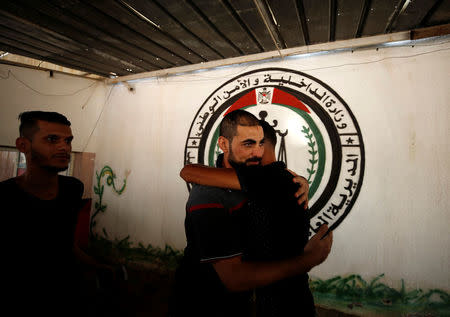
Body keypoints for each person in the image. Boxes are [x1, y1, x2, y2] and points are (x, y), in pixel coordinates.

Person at [170, 110, 332, 316]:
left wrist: (300, 181)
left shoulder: (266, 180)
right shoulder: (209, 195)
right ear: (224, 144)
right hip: (201, 304)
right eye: (249, 144)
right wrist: (307, 260)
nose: (257, 152)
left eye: (260, 144)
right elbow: (233, 279)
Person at [0, 111, 114, 316]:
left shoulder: (73, 189)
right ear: (23, 145)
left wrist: (97, 267)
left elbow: (63, 243)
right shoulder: (5, 197)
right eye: (52, 139)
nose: (64, 147)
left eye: (68, 141)